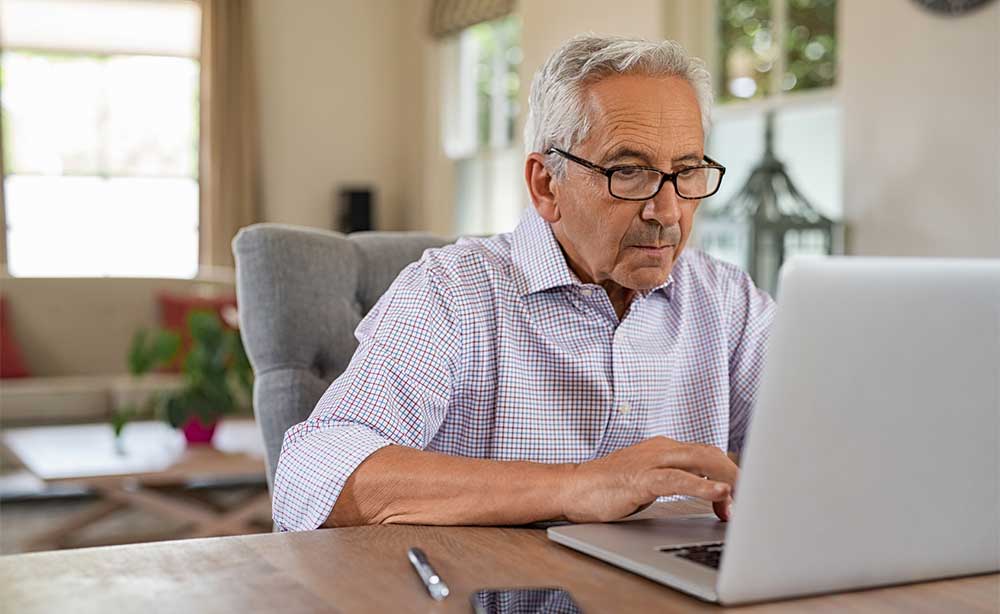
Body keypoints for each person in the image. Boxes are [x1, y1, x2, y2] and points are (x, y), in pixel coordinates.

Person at [272, 34, 775, 532]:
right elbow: (310, 477)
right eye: (628, 172)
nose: (667, 212)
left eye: (687, 172)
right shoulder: (452, 291)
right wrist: (578, 485)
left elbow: (833, 444)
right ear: (545, 184)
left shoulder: (728, 301)